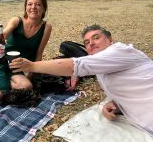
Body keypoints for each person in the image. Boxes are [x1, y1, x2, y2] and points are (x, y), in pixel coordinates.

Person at [10, 24, 153, 136]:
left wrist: (32, 66)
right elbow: (132, 84)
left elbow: (75, 66)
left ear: (110, 39)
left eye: (96, 37)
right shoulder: (102, 66)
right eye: (86, 42)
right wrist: (116, 104)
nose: (90, 43)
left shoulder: (119, 50)